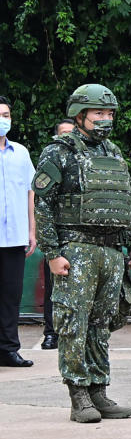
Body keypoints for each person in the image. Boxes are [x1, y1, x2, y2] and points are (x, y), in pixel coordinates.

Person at [31, 83, 131, 423]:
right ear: (79, 115)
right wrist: (52, 252)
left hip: (110, 250)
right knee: (73, 323)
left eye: (109, 113)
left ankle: (99, 391)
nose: (105, 119)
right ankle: (79, 395)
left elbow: (124, 199)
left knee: (100, 324)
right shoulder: (58, 152)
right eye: (98, 113)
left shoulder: (114, 152)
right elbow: (44, 204)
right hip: (75, 249)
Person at [0, 95, 36, 368]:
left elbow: (30, 193)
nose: (3, 120)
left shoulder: (21, 153)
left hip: (14, 237)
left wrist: (32, 231)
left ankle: (9, 349)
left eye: (6, 115)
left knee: (11, 296)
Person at [40, 118, 75, 351]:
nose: (68, 138)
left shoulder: (86, 159)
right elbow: (43, 202)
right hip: (56, 236)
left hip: (80, 237)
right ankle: (51, 333)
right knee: (53, 289)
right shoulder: (51, 158)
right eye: (63, 133)